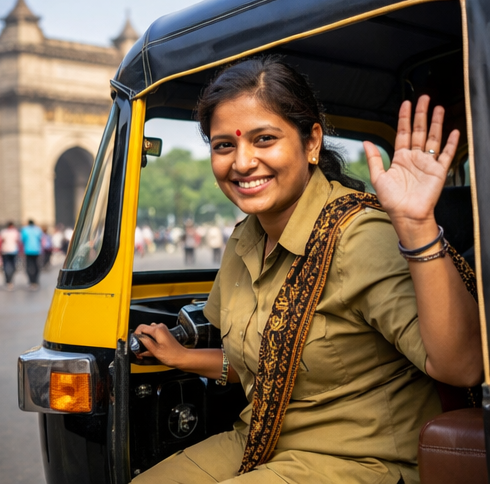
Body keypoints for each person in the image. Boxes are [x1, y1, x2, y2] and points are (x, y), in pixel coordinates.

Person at [132, 56, 480, 484]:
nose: (242, 162)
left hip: (361, 460)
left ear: (312, 142)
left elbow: (463, 367)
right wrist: (182, 357)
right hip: (261, 439)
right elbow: (262, 362)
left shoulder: (359, 236)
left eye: (263, 139)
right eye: (224, 145)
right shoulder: (244, 241)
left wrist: (417, 225)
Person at [21, 219, 43, 289]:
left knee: (28, 266)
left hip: (28, 250)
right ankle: (36, 281)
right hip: (36, 250)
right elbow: (40, 239)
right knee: (36, 266)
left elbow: (22, 240)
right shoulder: (38, 229)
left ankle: (31, 281)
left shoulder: (25, 229)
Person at [0, 220, 20, 289]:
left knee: (9, 266)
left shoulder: (5, 232)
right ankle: (9, 280)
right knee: (9, 266)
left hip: (9, 251)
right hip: (9, 251)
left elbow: (0, 241)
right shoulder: (13, 232)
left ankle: (9, 279)